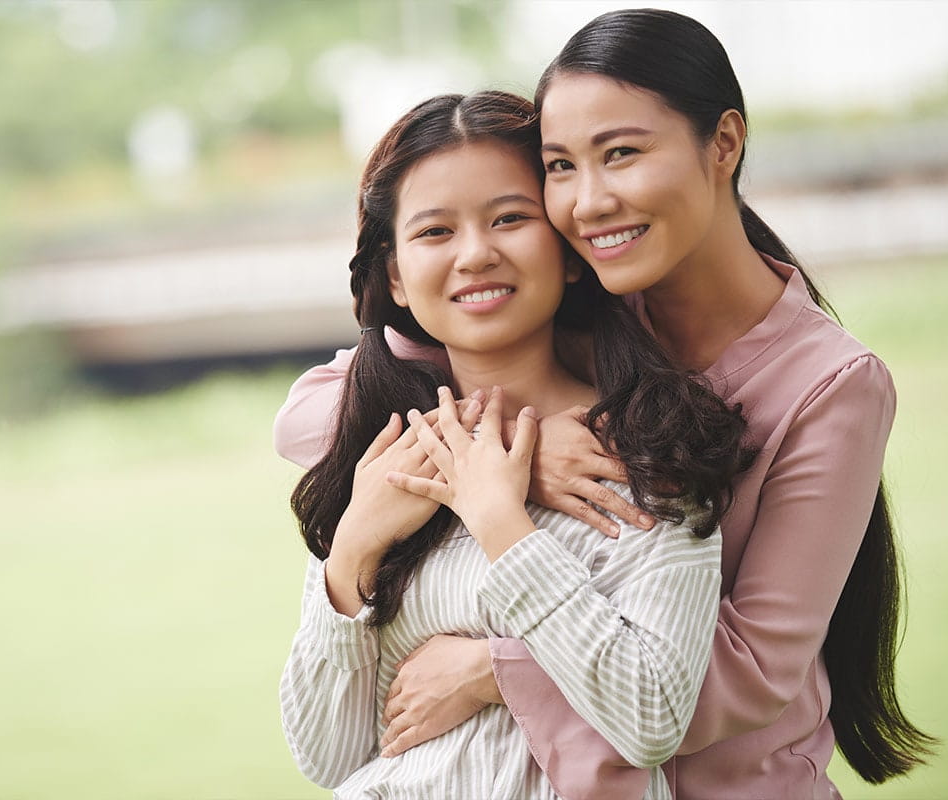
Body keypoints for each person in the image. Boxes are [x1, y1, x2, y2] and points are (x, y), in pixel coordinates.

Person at [273, 9, 935, 799]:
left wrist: (496, 667)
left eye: (620, 154)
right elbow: (317, 412)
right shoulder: (589, 304)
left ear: (723, 143)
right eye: (559, 166)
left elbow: (753, 671)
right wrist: (528, 446)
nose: (588, 202)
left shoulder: (829, 383)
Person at [278, 89, 751, 798]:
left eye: (509, 219)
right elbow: (329, 757)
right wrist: (348, 554)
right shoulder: (394, 466)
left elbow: (651, 715)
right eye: (436, 232)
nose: (476, 254)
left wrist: (502, 521)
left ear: (566, 252)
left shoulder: (645, 453)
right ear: (398, 276)